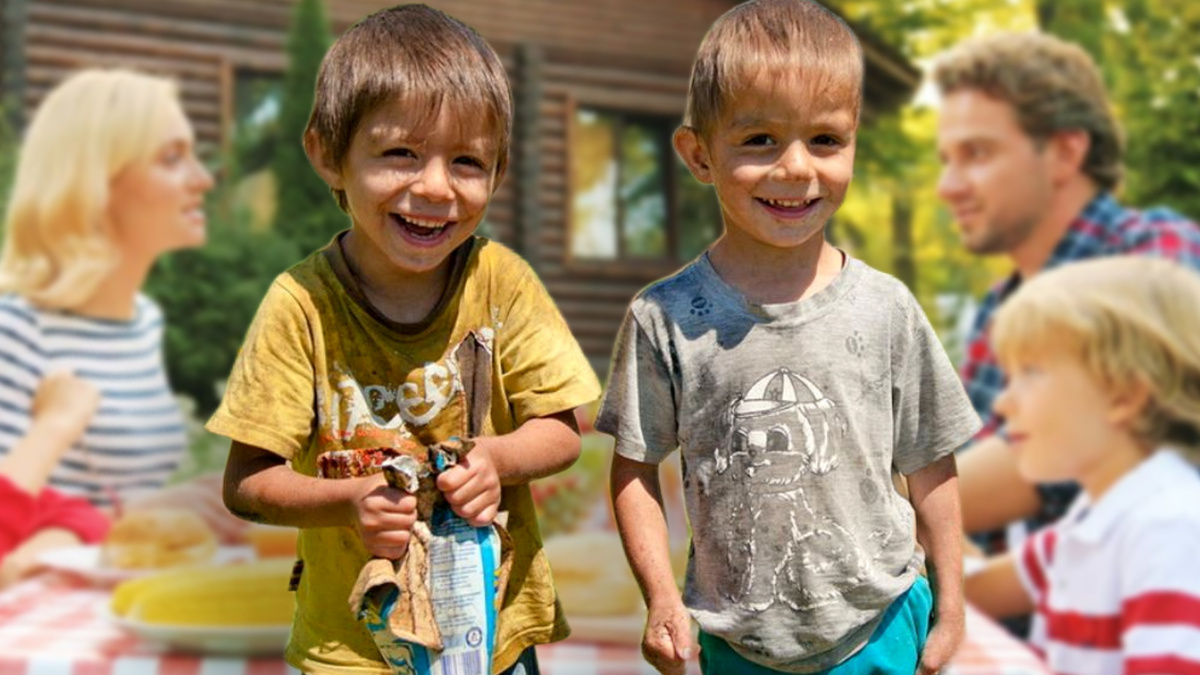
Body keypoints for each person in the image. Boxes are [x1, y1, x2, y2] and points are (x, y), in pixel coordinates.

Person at [208, 5, 601, 674]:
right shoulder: (301, 305)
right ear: (328, 156)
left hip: (492, 635)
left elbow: (564, 428)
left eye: (468, 162)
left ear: (498, 172)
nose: (435, 188)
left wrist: (496, 460)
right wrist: (348, 500)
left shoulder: (499, 281)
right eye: (400, 154)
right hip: (352, 646)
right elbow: (248, 481)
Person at [595, 2, 981, 674]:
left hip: (881, 627)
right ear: (698, 154)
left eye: (825, 140)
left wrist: (951, 605)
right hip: (738, 642)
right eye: (760, 140)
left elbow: (930, 462)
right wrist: (660, 597)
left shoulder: (886, 309)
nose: (796, 168)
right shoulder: (665, 317)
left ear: (854, 141)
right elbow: (634, 469)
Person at [934, 32, 1200, 551]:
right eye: (947, 158)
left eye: (976, 153)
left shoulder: (1152, 253)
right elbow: (981, 476)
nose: (948, 185)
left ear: (1064, 152)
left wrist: (879, 506)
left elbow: (1130, 446)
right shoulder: (1001, 308)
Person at [0, 68, 240, 587]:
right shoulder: (15, 332)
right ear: (95, 182)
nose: (202, 178)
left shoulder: (142, 323)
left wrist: (178, 507)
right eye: (172, 158)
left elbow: (105, 501)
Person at [963, 256, 1200, 675]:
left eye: (1030, 373)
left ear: (1123, 395)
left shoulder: (1168, 528)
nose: (1002, 402)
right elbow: (972, 589)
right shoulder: (1090, 522)